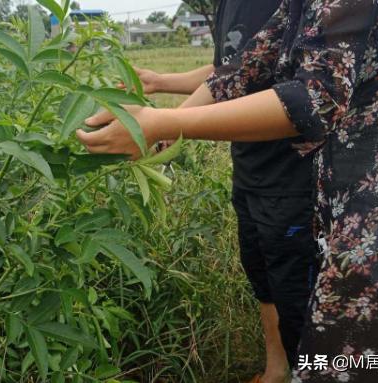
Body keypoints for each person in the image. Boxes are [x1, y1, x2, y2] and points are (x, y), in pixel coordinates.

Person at [77, 0, 378, 382]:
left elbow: (314, 97)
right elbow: (245, 67)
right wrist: (157, 129)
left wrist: (163, 123)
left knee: (368, 352)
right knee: (345, 351)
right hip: (348, 191)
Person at [126, 2, 318, 382]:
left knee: (299, 294)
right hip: (249, 163)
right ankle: (276, 370)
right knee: (261, 273)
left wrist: (165, 124)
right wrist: (161, 83)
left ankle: (311, 371)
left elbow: (310, 91)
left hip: (293, 169)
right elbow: (235, 69)